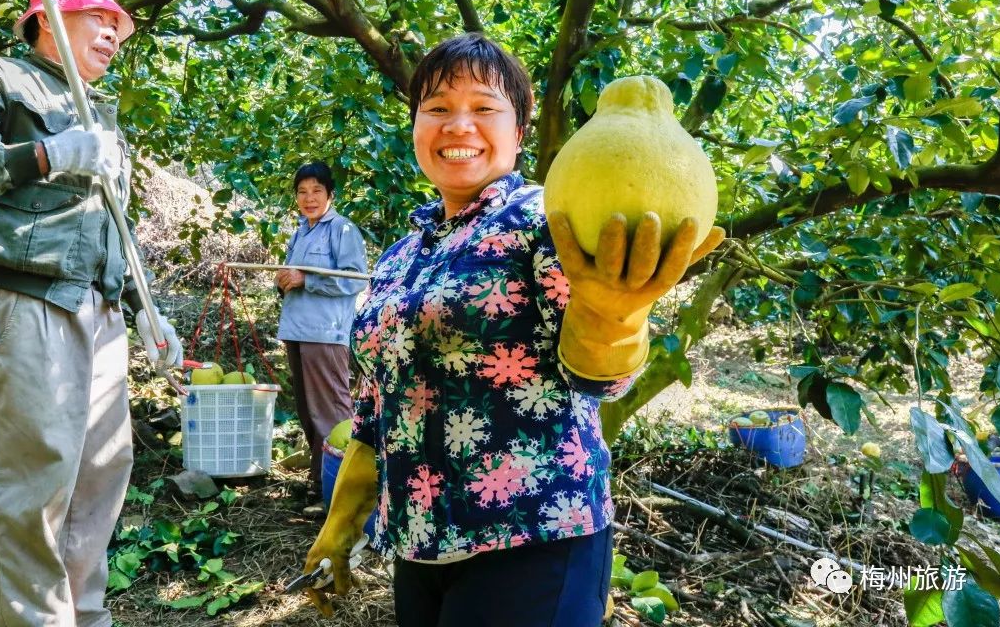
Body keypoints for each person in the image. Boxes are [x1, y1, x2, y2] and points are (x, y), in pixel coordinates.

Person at [300, 33, 725, 626]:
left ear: (520, 131)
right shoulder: (402, 255)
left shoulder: (551, 219)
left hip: (533, 535)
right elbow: (378, 415)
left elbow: (598, 378)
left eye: (484, 107)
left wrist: (615, 317)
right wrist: (338, 528)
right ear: (416, 124)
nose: (458, 125)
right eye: (438, 108)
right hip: (420, 541)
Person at [0, 0, 182, 627]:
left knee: (97, 483)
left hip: (98, 316)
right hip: (26, 301)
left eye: (119, 28)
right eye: (100, 18)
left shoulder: (97, 114)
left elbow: (107, 231)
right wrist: (45, 156)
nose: (114, 35)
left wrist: (143, 308)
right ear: (47, 16)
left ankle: (83, 619)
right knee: (32, 487)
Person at [275, 161, 368, 506]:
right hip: (298, 329)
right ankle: (319, 483)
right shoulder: (301, 231)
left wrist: (307, 279)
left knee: (330, 413)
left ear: (330, 194)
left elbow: (354, 280)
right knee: (307, 411)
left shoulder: (342, 230)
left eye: (316, 190)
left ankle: (341, 493)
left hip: (325, 334)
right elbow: (293, 276)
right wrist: (283, 281)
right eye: (302, 191)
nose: (309, 198)